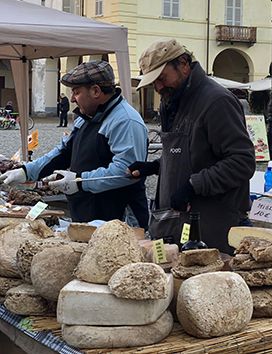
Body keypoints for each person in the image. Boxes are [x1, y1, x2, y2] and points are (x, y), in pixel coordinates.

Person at [128, 39, 255, 253]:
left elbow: (242, 162)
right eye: (153, 82)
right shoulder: (175, 99)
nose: (158, 87)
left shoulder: (217, 102)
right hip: (177, 224)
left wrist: (193, 186)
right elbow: (195, 154)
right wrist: (158, 166)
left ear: (184, 64)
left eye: (161, 78)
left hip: (212, 228)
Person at [0, 60, 150, 228]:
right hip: (87, 213)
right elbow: (63, 152)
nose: (72, 99)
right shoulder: (86, 117)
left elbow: (126, 171)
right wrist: (27, 171)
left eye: (76, 92)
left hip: (117, 219)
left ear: (95, 91)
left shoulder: (125, 121)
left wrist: (80, 181)